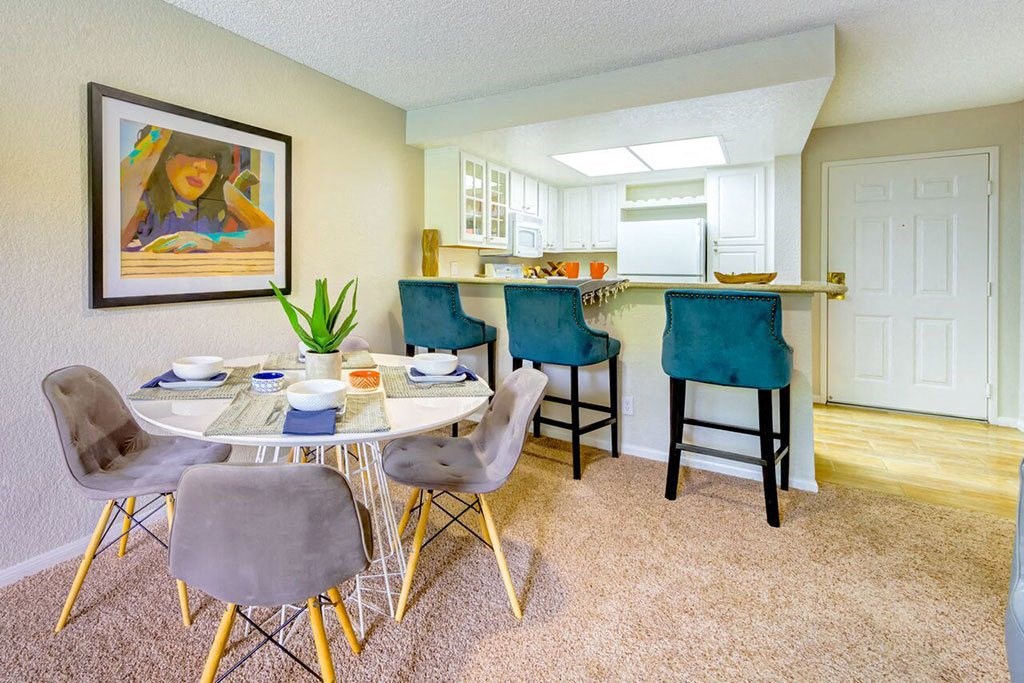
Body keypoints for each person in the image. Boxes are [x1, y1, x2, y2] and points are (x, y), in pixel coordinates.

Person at [120, 126, 273, 253]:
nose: (203, 166)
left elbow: (273, 236)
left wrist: (206, 242)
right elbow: (108, 244)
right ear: (164, 156)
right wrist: (154, 138)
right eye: (191, 152)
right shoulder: (146, 193)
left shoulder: (220, 189)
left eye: (213, 157)